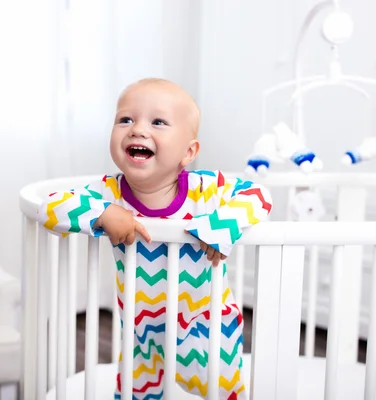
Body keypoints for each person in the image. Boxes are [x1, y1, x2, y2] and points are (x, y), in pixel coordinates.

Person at [37, 78, 273, 399]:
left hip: (207, 328)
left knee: (223, 391)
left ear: (188, 152)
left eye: (158, 122)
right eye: (125, 119)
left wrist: (221, 225)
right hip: (141, 333)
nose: (137, 129)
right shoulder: (109, 193)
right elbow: (49, 204)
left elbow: (258, 195)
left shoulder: (206, 190)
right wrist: (102, 213)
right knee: (138, 393)